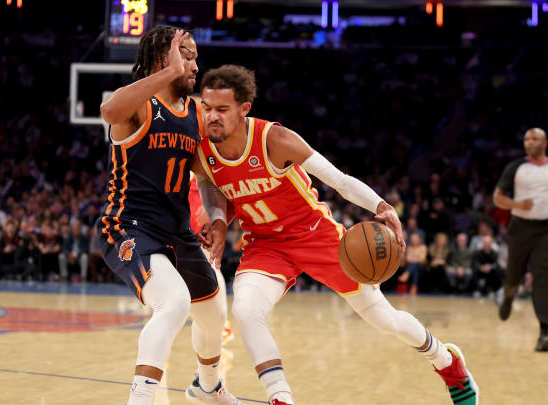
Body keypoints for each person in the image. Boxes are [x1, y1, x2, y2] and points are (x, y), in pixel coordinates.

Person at [196, 65, 479, 405]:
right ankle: (280, 398)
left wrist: (383, 206)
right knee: (244, 308)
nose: (212, 116)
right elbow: (210, 185)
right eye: (207, 107)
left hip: (315, 234)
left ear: (244, 109)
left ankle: (448, 364)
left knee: (383, 319)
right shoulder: (202, 145)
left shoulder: (276, 140)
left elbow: (341, 182)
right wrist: (217, 220)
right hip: (265, 244)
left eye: (222, 109)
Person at [97, 26, 241, 405]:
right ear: (164, 59)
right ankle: (140, 400)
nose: (195, 64)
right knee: (173, 302)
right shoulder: (138, 106)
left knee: (213, 309)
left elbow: (206, 178)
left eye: (194, 56)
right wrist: (168, 73)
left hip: (176, 231)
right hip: (128, 226)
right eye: (186, 55)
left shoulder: (195, 112)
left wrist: (217, 218)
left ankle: (208, 387)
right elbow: (108, 110)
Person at [494, 127, 548, 352]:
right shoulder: (516, 168)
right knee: (514, 275)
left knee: (542, 279)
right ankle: (508, 297)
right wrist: (517, 205)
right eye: (526, 139)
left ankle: (544, 333)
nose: (529, 142)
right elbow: (498, 198)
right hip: (519, 228)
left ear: (544, 143)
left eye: (534, 138)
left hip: (545, 231)